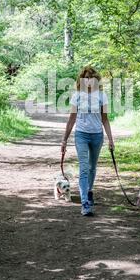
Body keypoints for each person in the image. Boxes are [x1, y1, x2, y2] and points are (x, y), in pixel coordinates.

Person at [61, 66, 115, 216]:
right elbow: (71, 119)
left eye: (91, 77)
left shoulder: (102, 96)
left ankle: (89, 191)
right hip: (81, 135)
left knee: (92, 167)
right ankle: (85, 202)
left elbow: (105, 120)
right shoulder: (77, 96)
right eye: (85, 78)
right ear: (81, 80)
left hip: (97, 135)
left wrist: (111, 139)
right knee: (84, 168)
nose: (88, 80)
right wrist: (64, 140)